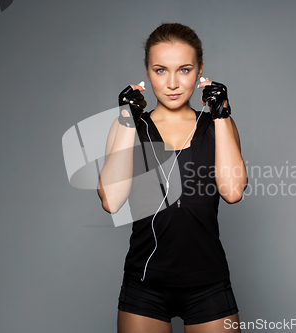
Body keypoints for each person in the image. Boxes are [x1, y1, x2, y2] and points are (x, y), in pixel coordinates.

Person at [97, 22, 247, 333]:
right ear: (147, 72)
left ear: (200, 71)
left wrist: (220, 115)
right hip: (145, 285)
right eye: (161, 70)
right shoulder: (129, 127)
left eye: (184, 69)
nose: (173, 83)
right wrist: (127, 120)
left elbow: (232, 191)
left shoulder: (219, 124)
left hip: (208, 283)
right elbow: (111, 201)